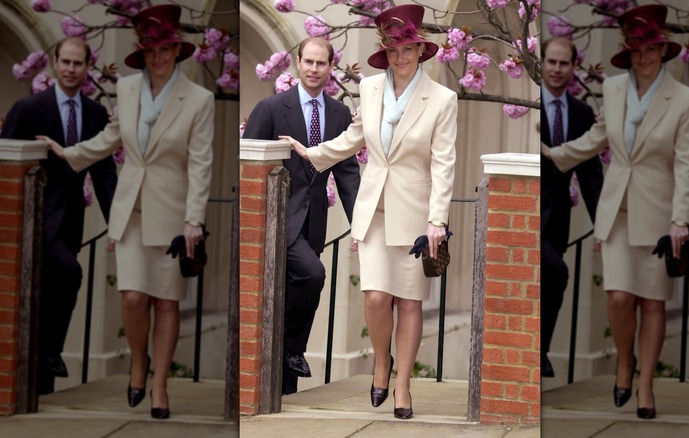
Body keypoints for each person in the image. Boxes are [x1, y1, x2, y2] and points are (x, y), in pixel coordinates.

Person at [39, 4, 213, 419]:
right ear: (143, 52)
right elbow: (111, 137)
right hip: (130, 210)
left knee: (167, 302)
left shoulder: (200, 99)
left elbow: (201, 162)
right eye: (151, 50)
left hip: (173, 215)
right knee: (134, 297)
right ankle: (139, 362)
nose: (158, 57)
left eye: (165, 49)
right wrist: (69, 152)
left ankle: (158, 385)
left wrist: (194, 220)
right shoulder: (129, 89)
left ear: (177, 50)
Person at [286, 4, 457, 420]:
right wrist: (312, 153)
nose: (401, 58)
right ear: (385, 52)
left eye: (408, 49)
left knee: (411, 302)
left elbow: (444, 162)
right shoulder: (371, 87)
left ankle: (402, 384)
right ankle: (381, 362)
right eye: (394, 50)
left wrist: (437, 221)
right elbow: (354, 136)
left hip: (417, 216)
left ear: (420, 49)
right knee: (377, 297)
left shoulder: (443, 99)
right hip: (374, 210)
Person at [542, 4, 689, 419]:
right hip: (616, 213)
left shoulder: (685, 100)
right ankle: (624, 362)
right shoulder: (612, 90)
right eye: (636, 50)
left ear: (663, 50)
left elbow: (687, 163)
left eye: (651, 50)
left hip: (661, 217)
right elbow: (596, 139)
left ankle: (645, 384)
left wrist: (680, 220)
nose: (644, 58)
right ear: (628, 52)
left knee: (652, 303)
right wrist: (553, 154)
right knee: (618, 297)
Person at [242, 37, 360, 396]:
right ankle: (292, 349)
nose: (313, 69)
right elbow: (247, 167)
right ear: (297, 63)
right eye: (307, 62)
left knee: (294, 294)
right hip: (276, 223)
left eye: (320, 63)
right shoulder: (271, 107)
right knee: (313, 275)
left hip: (312, 225)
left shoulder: (339, 115)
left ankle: (285, 387)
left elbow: (348, 176)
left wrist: (360, 226)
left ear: (330, 67)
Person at [0, 37, 117, 395]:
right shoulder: (28, 108)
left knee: (51, 294)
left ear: (87, 67)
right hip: (29, 223)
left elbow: (104, 175)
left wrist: (118, 225)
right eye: (64, 62)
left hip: (69, 225)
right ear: (54, 63)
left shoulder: (96, 115)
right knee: (69, 274)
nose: (70, 69)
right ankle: (50, 352)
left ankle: (43, 383)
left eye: (77, 64)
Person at [539, 37, 603, 378]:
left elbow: (591, 175)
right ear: (543, 62)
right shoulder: (526, 102)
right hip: (524, 214)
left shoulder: (581, 113)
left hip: (557, 219)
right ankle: (535, 352)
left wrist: (603, 225)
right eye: (551, 61)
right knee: (555, 272)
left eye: (564, 63)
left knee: (553, 278)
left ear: (574, 67)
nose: (557, 69)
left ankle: (540, 350)